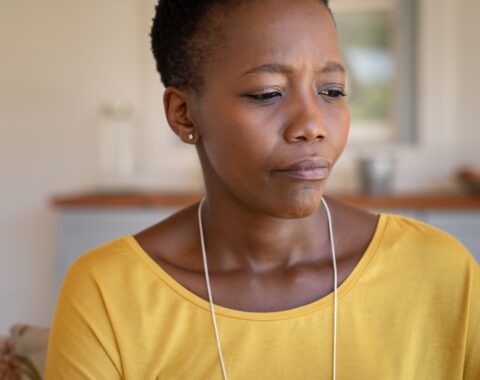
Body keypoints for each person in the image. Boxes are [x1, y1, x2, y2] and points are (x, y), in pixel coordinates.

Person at [44, 0, 480, 379]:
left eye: (332, 90)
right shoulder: (108, 293)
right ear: (183, 114)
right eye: (267, 93)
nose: (312, 125)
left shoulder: (439, 272)